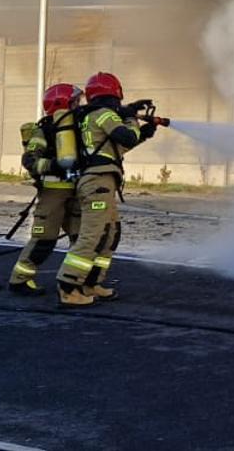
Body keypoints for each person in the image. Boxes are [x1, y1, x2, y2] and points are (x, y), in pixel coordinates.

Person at [55, 71, 158, 307]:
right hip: (97, 182)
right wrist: (131, 118)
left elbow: (113, 149)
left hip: (102, 181)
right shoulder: (103, 114)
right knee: (93, 235)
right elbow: (127, 137)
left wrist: (143, 133)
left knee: (109, 234)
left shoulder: (91, 116)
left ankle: (91, 283)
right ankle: (68, 287)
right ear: (115, 93)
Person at [8, 83, 84, 296]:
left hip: (78, 191)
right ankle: (20, 280)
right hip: (53, 193)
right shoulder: (45, 130)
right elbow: (30, 160)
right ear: (63, 104)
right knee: (44, 240)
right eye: (75, 102)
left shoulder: (79, 127)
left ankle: (75, 282)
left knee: (81, 239)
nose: (79, 106)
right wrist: (54, 165)